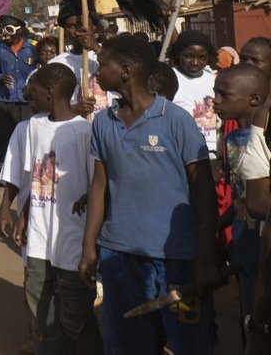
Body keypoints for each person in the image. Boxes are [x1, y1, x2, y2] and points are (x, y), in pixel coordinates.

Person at [79, 37, 219, 354]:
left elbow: (203, 189)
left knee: (189, 342)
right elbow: (99, 186)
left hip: (178, 258)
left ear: (125, 71)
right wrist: (89, 245)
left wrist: (206, 253)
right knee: (127, 340)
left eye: (103, 66)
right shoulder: (102, 122)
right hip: (119, 255)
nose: (97, 73)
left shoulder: (176, 121)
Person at [0, 63, 100, 355]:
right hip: (39, 240)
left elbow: (97, 187)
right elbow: (37, 177)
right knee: (40, 311)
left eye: (36, 90)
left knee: (76, 316)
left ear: (51, 92)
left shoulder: (84, 132)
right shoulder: (33, 128)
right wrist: (24, 213)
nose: (30, 94)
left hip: (72, 241)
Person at [215, 65, 270, 342]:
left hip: (263, 247)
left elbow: (259, 202)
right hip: (242, 243)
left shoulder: (264, 141)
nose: (215, 101)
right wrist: (218, 227)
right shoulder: (230, 137)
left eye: (223, 95)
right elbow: (240, 197)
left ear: (253, 99)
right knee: (248, 319)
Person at [0, 16, 39, 168]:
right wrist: (0, 77)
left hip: (26, 100)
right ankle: (5, 171)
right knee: (4, 138)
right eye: (3, 30)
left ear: (20, 31)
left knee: (27, 136)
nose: (6, 35)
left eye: (9, 30)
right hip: (4, 100)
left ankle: (26, 169)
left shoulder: (32, 47)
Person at [171, 31, 221, 157]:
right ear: (178, 54)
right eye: (188, 56)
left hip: (214, 152)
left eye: (202, 58)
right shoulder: (170, 78)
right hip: (183, 153)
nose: (195, 62)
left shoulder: (215, 80)